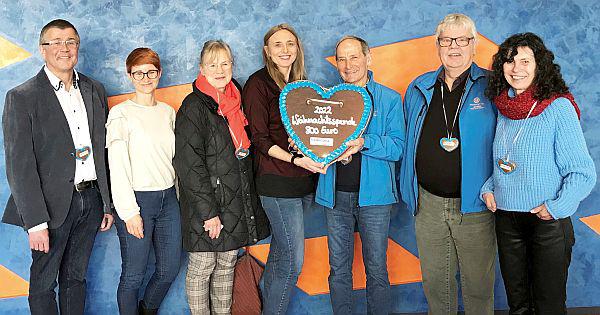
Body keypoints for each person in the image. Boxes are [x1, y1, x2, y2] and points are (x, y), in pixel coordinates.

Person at [1, 19, 113, 314]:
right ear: (43, 49)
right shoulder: (22, 97)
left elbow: (102, 152)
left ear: (77, 47)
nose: (65, 49)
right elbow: (19, 166)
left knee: (76, 279)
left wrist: (106, 204)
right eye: (56, 42)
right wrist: (35, 222)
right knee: (43, 283)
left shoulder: (94, 89)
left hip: (90, 200)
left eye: (71, 42)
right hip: (49, 208)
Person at [482, 32, 596, 315]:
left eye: (525, 60)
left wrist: (556, 208)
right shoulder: (504, 109)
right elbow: (503, 160)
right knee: (518, 305)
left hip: (546, 222)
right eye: (510, 61)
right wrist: (488, 188)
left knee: (548, 306)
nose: (516, 68)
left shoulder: (558, 107)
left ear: (539, 65)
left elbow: (582, 172)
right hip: (507, 219)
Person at [399, 13, 497, 314]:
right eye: (446, 40)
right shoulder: (419, 86)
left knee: (478, 288)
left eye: (462, 39)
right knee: (436, 286)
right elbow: (405, 138)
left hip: (476, 207)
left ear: (474, 44)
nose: (454, 46)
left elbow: (510, 141)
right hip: (427, 204)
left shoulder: (493, 86)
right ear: (437, 45)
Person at [174, 40, 270, 315]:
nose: (220, 69)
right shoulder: (193, 108)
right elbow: (189, 165)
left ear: (232, 66)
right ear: (201, 69)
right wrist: (208, 213)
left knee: (227, 263)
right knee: (203, 266)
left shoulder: (235, 99)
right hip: (207, 206)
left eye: (225, 63)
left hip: (234, 200)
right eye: (213, 64)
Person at [315, 35, 405, 315]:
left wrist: (365, 142)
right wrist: (304, 142)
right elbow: (316, 141)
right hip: (335, 196)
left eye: (354, 57)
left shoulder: (389, 99)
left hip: (375, 199)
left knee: (376, 268)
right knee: (338, 269)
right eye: (341, 58)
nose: (348, 64)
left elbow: (398, 147)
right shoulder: (326, 100)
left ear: (368, 58)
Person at [242, 23, 325, 315]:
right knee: (292, 262)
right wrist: (294, 159)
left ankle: (265, 303)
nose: (285, 50)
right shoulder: (258, 84)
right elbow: (259, 140)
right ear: (267, 51)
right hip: (277, 183)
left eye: (290, 44)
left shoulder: (302, 85)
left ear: (298, 48)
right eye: (278, 45)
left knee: (280, 255)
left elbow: (313, 133)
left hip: (303, 182)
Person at [106, 48, 181, 315]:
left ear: (159, 73)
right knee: (133, 276)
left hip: (169, 199)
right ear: (129, 75)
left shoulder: (167, 112)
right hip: (137, 200)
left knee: (169, 268)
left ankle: (147, 310)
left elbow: (173, 159)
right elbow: (117, 166)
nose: (145, 77)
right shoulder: (121, 114)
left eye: (151, 71)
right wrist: (129, 212)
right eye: (138, 72)